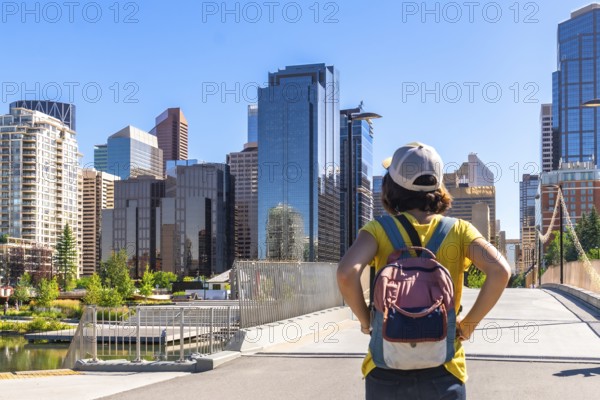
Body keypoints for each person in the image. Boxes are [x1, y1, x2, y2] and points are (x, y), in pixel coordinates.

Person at [337, 142, 511, 399]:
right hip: (444, 367)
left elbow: (345, 273)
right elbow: (500, 271)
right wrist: (468, 326)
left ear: (391, 186)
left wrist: (366, 322)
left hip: (386, 366)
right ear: (438, 186)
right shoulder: (459, 230)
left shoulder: (378, 230)